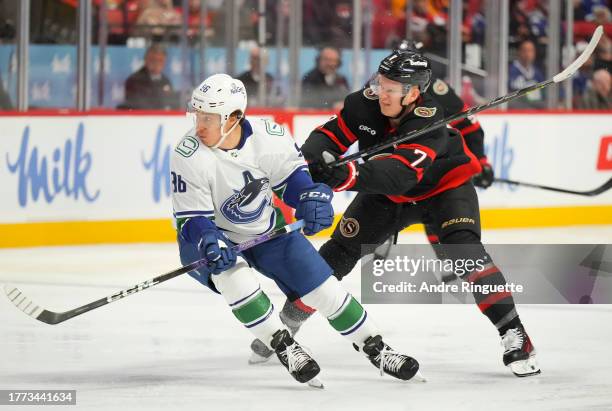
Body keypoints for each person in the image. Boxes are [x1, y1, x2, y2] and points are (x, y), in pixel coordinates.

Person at [251, 46, 541, 378]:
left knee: (466, 254)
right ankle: (284, 329)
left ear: (414, 92)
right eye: (380, 83)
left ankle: (514, 335)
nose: (380, 93)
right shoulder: (364, 104)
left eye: (390, 89)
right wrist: (315, 161)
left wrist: (348, 175)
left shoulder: (430, 119)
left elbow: (401, 174)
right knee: (334, 258)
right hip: (388, 197)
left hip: (444, 190)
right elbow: (327, 136)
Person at [170, 73, 422, 386]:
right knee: (238, 281)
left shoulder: (269, 136)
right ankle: (283, 345)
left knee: (325, 289)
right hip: (213, 239)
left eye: (208, 118)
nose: (199, 126)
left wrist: (308, 199)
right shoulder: (189, 154)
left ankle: (375, 347)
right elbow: (192, 219)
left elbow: (293, 182)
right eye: (197, 116)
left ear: (234, 118)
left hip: (269, 232)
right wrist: (209, 240)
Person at [121, 44, 177, 110]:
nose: (157, 63)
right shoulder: (135, 80)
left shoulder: (166, 81)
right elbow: (137, 104)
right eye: (153, 59)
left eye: (160, 60)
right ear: (146, 59)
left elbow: (172, 103)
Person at [508, 39, 546, 109]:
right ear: (519, 52)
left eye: (531, 51)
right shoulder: (510, 71)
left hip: (535, 111)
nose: (528, 54)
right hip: (516, 112)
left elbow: (543, 94)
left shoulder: (538, 72)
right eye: (525, 50)